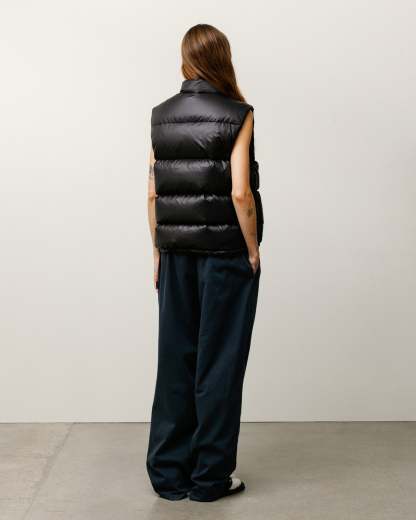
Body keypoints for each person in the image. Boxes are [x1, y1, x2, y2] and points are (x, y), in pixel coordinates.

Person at [146, 23, 264, 502]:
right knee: (219, 364)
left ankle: (167, 474)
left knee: (175, 361)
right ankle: (210, 478)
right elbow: (240, 192)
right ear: (222, 59)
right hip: (225, 256)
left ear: (186, 59)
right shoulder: (238, 114)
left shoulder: (161, 115)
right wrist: (251, 248)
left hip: (175, 255)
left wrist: (158, 250)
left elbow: (152, 192)